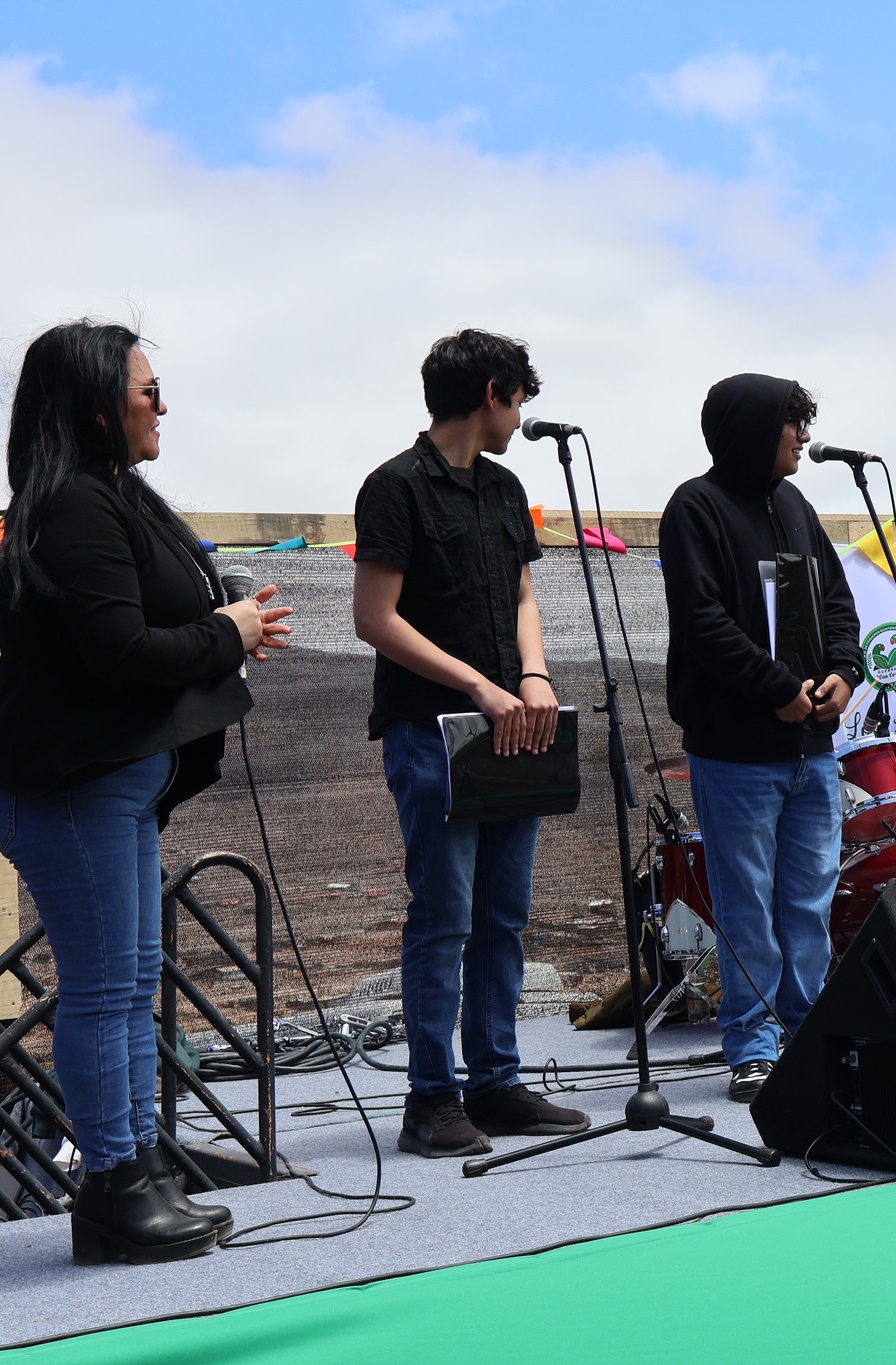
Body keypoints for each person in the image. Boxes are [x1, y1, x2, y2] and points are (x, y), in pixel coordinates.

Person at [0, 320, 291, 1264]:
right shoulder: (73, 505)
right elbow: (121, 653)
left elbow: (154, 621)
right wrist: (229, 632)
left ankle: (138, 1167)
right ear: (97, 405)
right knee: (107, 987)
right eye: (149, 392)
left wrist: (225, 620)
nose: (162, 408)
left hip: (110, 785)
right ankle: (112, 1187)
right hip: (69, 788)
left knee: (127, 982)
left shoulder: (111, 495)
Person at [352, 329, 590, 1157]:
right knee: (444, 917)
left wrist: (533, 676)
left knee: (503, 915)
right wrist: (478, 687)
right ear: (493, 391)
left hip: (514, 728)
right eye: (520, 397)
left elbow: (524, 593)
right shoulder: (394, 487)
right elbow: (374, 618)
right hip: (431, 731)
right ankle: (431, 1097)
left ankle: (495, 1080)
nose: (523, 415)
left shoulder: (507, 487)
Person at [660, 374, 864, 1102]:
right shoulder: (695, 507)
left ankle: (806, 1031)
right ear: (754, 429)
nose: (804, 436)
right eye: (793, 423)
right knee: (748, 904)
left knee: (809, 902)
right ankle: (752, 1043)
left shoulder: (796, 505)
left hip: (811, 748)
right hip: (737, 749)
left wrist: (845, 668)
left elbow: (837, 601)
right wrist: (776, 689)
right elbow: (703, 620)